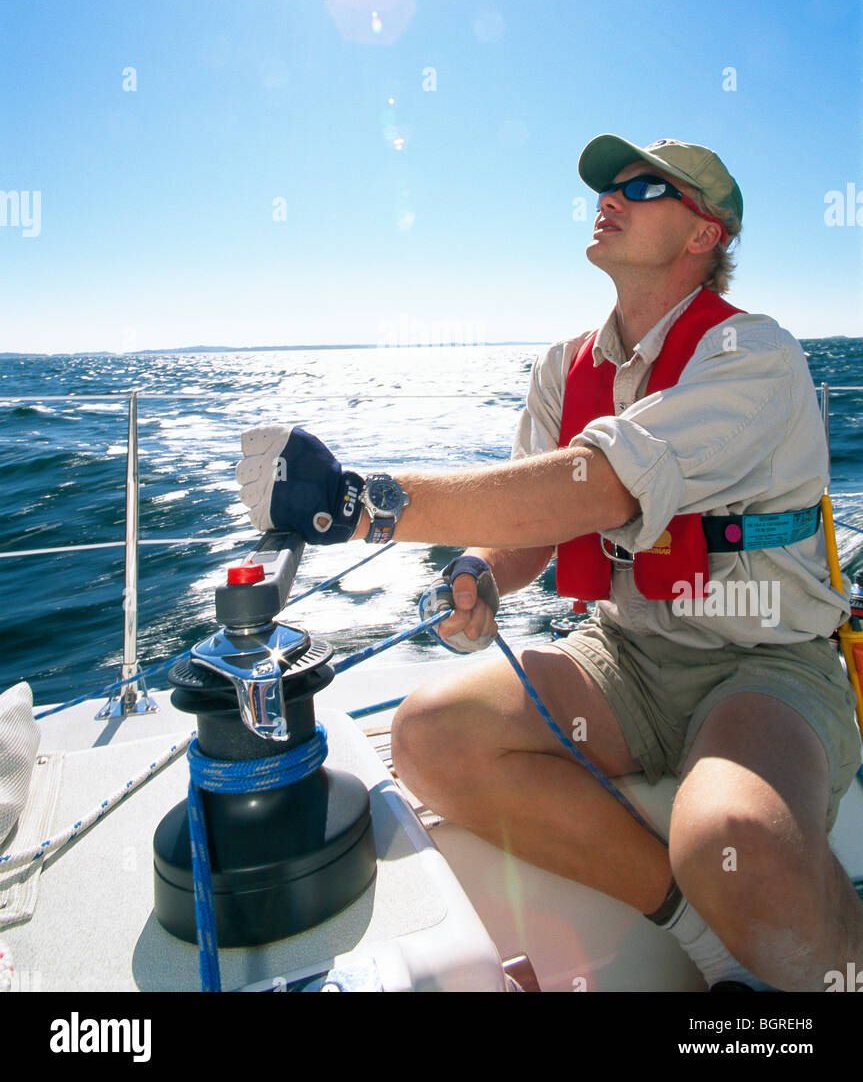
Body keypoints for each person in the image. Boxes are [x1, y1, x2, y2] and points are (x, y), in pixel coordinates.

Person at [237, 134, 863, 992]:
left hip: (764, 662)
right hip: (626, 657)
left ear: (703, 235)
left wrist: (363, 507)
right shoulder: (561, 369)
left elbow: (598, 486)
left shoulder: (753, 355)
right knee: (430, 735)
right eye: (607, 184)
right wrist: (484, 573)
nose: (609, 194)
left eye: (643, 187)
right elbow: (539, 525)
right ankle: (701, 938)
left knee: (729, 836)